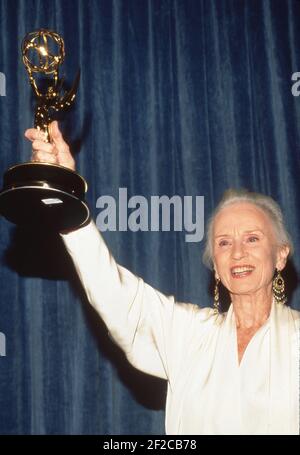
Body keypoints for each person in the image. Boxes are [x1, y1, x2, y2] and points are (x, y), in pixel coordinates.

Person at [25, 121, 300, 435]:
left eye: (252, 239)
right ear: (216, 265)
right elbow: (116, 295)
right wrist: (65, 196)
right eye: (224, 242)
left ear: (280, 255)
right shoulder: (190, 334)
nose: (237, 253)